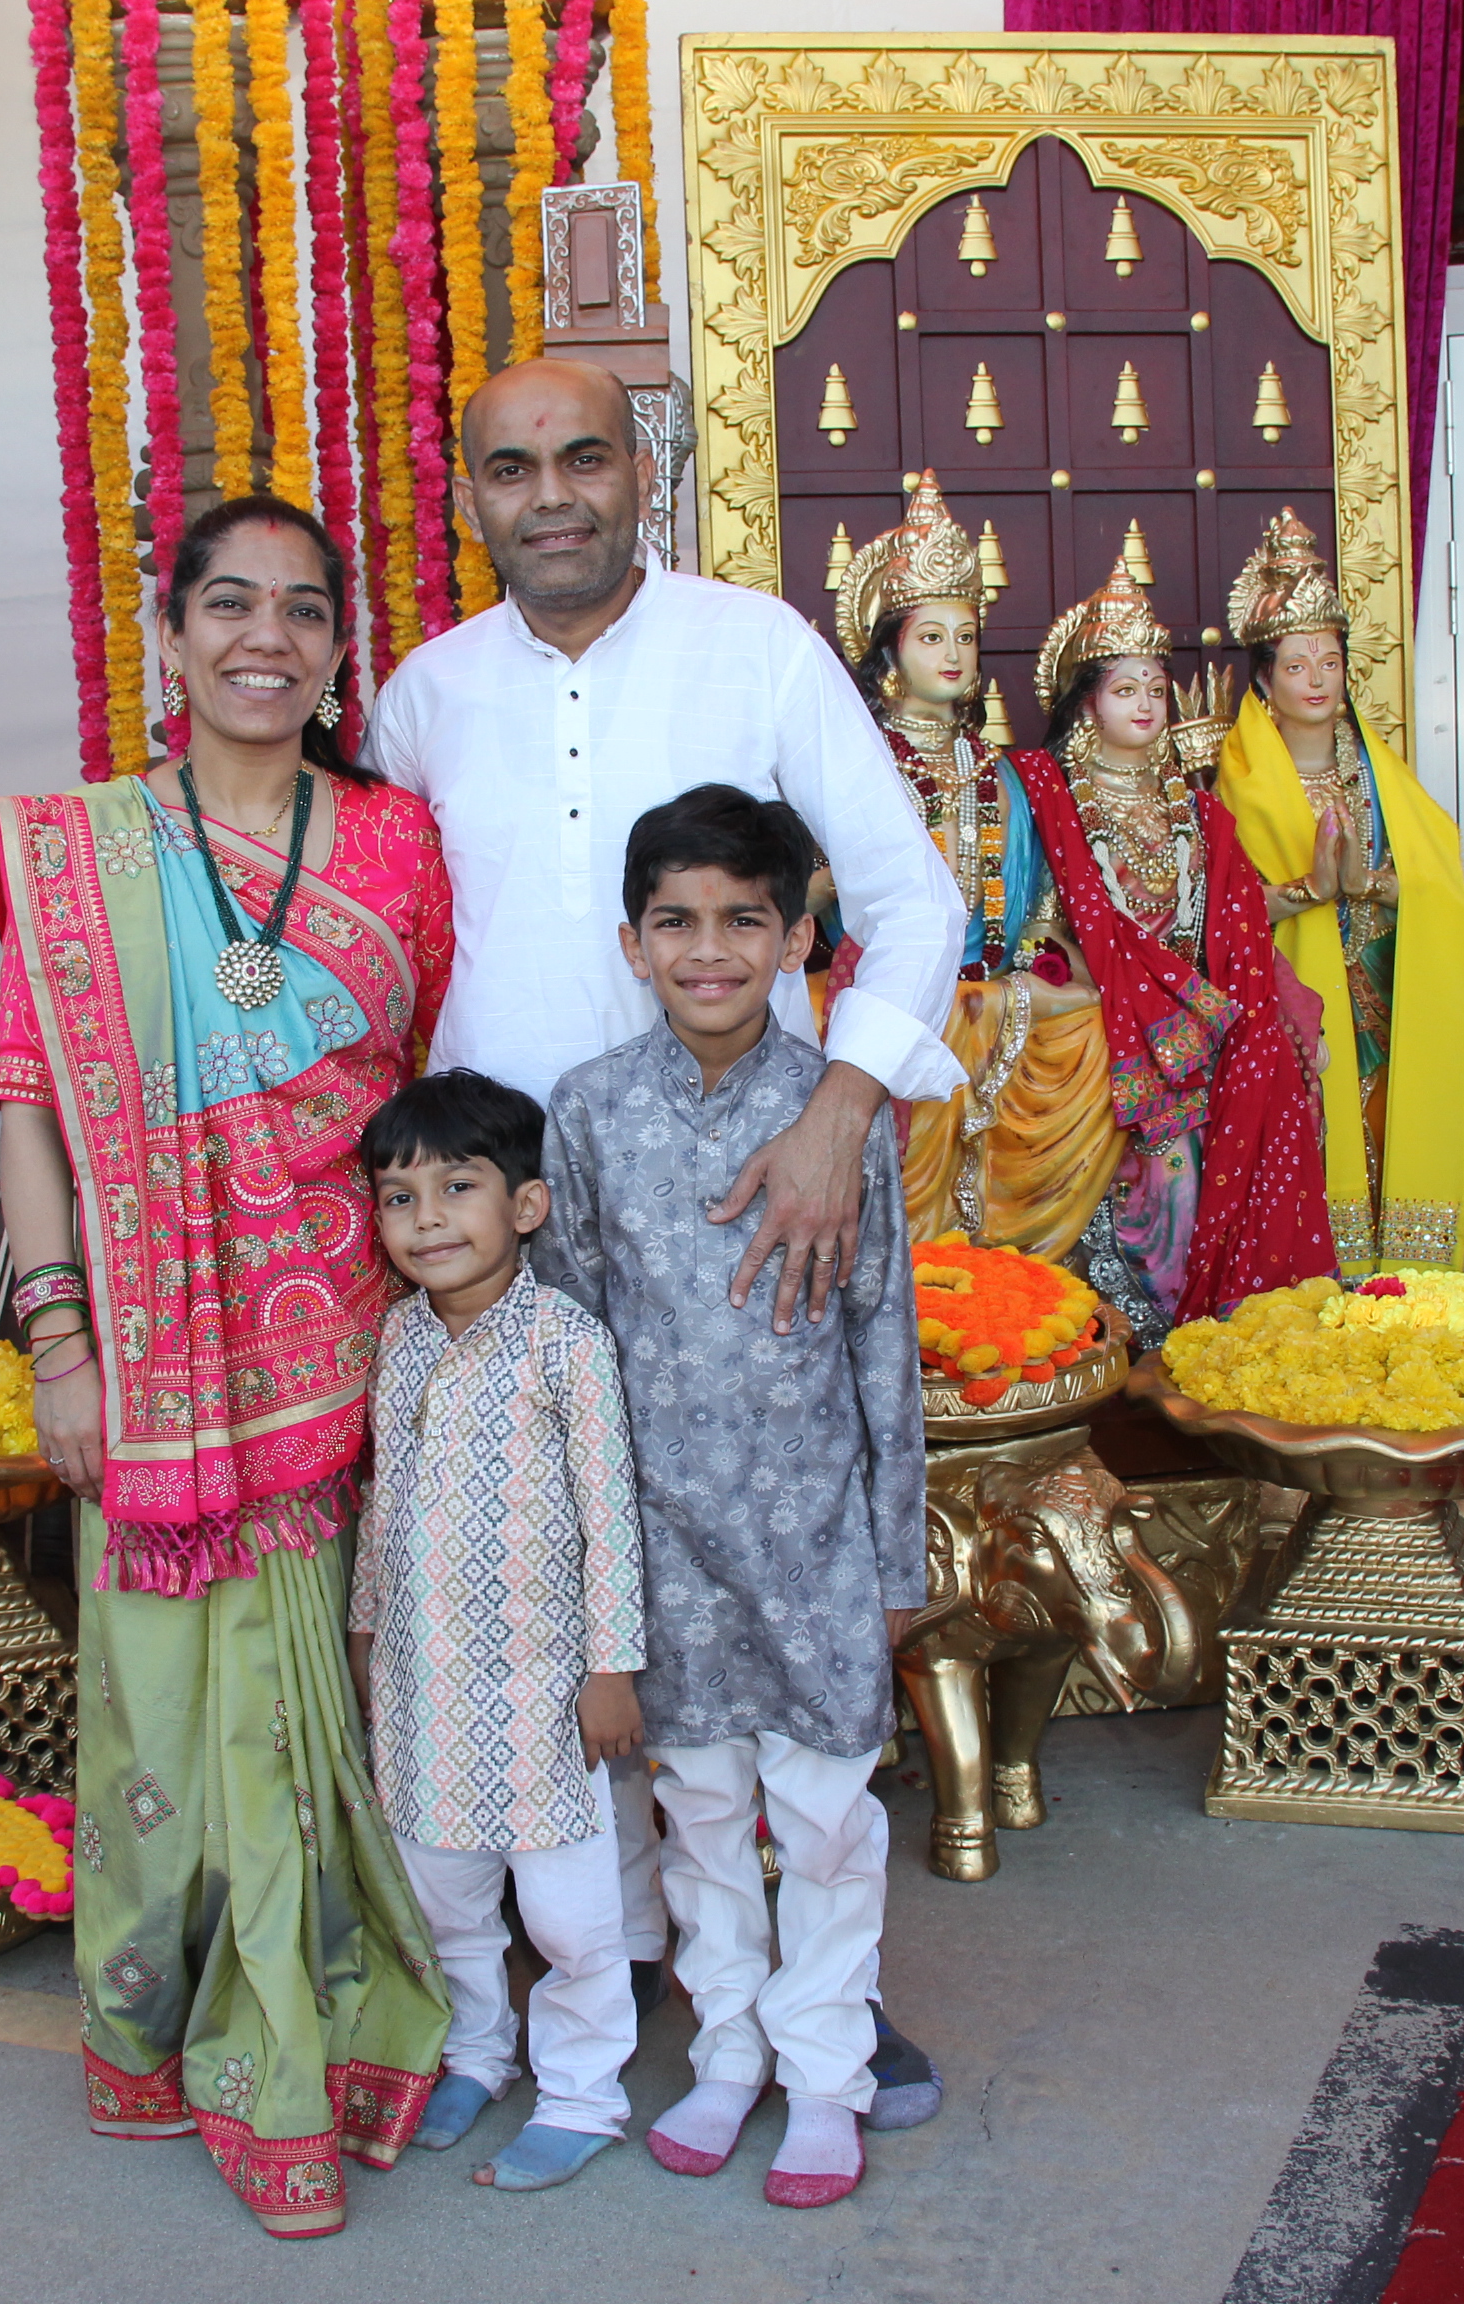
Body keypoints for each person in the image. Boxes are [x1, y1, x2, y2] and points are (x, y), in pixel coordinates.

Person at [364, 355, 960, 2126]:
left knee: (730, 1608)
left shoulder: (756, 648)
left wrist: (837, 1114)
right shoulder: (424, 696)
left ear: (645, 473)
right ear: (472, 494)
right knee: (570, 1598)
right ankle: (621, 1969)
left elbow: (911, 892)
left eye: (584, 458)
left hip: (738, 1202)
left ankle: (810, 2002)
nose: (550, 495)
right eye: (511, 467)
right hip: (500, 1232)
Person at [0, 493, 452, 2239]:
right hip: (150, 1354)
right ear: (170, 633)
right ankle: (156, 2026)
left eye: (305, 610)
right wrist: (61, 1347)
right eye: (232, 604)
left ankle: (292, 2060)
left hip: (342, 1347)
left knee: (309, 1706)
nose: (269, 637)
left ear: (339, 651)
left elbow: (427, 1091)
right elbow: (30, 1112)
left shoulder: (398, 840)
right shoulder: (80, 851)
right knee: (171, 1712)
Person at [541, 785, 928, 2211]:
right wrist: (592, 1578)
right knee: (700, 1816)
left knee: (824, 1822)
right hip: (662, 1547)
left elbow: (883, 1344)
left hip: (816, 1541)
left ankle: (825, 2076)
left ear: (796, 939)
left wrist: (895, 1563)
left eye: (743, 921)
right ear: (632, 942)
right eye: (677, 922)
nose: (709, 951)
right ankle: (728, 2054)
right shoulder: (587, 1113)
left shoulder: (841, 1116)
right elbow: (572, 1346)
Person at [347, 1068, 648, 2196]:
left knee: (569, 1919)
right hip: (423, 1690)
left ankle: (582, 2096)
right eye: (399, 1198)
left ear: (526, 1205)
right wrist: (368, 1633)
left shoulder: (566, 1342)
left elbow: (611, 1518)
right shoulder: (399, 1341)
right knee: (447, 1902)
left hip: (543, 1694)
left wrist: (612, 1669)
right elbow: (384, 1500)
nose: (426, 1220)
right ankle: (478, 2053)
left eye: (456, 1188)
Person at [1023, 560, 1329, 1324]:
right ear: (1086, 702)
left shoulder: (1198, 812)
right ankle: (1152, 1324)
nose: (1146, 705)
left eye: (1156, 690)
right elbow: (1033, 925)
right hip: (1107, 1021)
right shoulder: (1047, 798)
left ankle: (1227, 1316)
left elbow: (1239, 927)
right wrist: (1095, 985)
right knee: (1167, 1158)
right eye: (1125, 689)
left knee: (1274, 1078)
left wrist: (1313, 895)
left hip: (1204, 1018)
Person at [831, 473, 1125, 1261]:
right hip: (890, 985)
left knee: (1092, 1024)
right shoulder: (859, 766)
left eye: (965, 637)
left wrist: (1031, 965)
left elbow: (1039, 898)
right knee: (926, 1024)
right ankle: (916, 1270)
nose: (954, 654)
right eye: (932, 637)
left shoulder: (1002, 773)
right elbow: (825, 894)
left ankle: (1019, 1262)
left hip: (994, 982)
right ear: (891, 653)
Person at [1216, 507, 1464, 1274]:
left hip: (1388, 1000)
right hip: (1299, 1014)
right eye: (1297, 666)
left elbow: (1441, 888)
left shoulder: (1381, 776)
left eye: (1329, 662)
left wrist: (1372, 886)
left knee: (1391, 1139)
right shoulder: (1239, 785)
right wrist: (1311, 890)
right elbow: (1225, 918)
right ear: (1265, 679)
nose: (1316, 680)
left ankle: (1406, 1302)